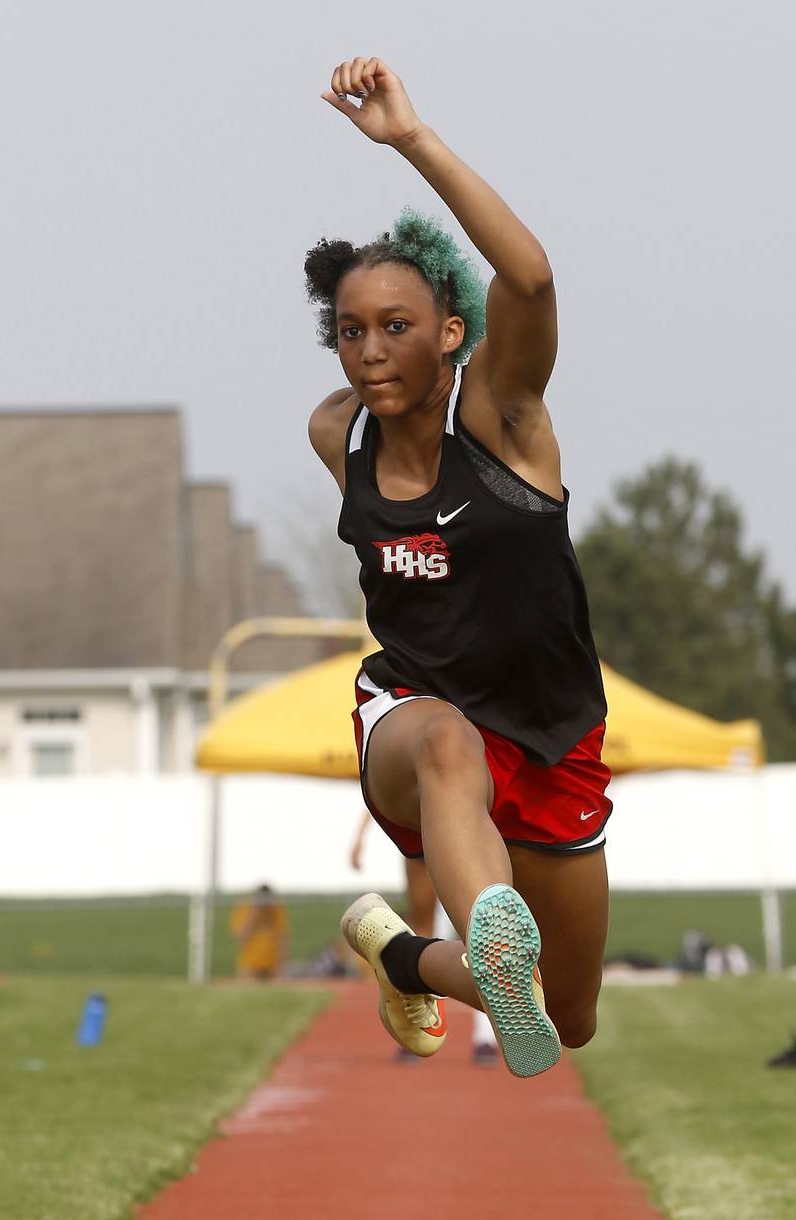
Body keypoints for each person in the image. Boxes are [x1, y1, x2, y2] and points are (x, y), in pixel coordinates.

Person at [307, 57, 611, 1078]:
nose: (368, 351)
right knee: (443, 739)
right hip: (415, 716)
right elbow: (357, 402)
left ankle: (401, 952)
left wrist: (410, 139)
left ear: (450, 336)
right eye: (349, 332)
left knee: (563, 1016)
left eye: (395, 328)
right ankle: (486, 925)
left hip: (552, 730)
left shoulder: (503, 424)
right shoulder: (334, 437)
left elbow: (525, 279)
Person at [350, 809, 499, 1064]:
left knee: (480, 932)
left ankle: (486, 1035)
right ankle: (424, 1022)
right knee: (427, 930)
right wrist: (361, 836)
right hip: (424, 828)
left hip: (463, 829)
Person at [229, 884, 288, 980]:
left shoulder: (276, 910)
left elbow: (282, 939)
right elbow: (241, 936)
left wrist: (280, 966)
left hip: (272, 965)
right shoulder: (245, 908)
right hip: (250, 965)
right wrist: (254, 916)